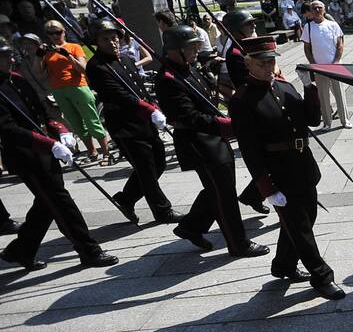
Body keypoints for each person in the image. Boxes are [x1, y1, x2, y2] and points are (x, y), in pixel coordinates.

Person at [228, 36, 345, 300]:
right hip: (278, 172)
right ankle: (321, 275)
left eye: (271, 61)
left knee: (305, 219)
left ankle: (283, 264)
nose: (269, 67)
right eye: (262, 63)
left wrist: (309, 87)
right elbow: (249, 150)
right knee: (300, 227)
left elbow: (313, 120)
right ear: (249, 64)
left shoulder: (284, 86)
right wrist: (266, 188)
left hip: (303, 166)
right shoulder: (242, 100)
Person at [0, 37, 118, 270]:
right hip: (26, 155)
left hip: (45, 150)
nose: (10, 59)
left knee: (46, 203)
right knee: (61, 202)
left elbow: (41, 112)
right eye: (3, 57)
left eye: (9, 55)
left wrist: (60, 130)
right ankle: (89, 250)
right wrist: (48, 144)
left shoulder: (17, 80)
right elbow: (8, 129)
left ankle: (20, 250)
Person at [154, 25, 269, 258]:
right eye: (191, 47)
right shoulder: (168, 78)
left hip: (213, 138)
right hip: (199, 142)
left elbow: (206, 100)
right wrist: (226, 126)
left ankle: (191, 226)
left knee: (216, 189)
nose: (197, 50)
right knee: (224, 195)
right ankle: (238, 244)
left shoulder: (187, 68)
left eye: (197, 46)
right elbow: (188, 117)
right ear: (175, 50)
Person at [86, 19, 181, 225]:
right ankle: (162, 211)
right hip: (124, 125)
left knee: (158, 164)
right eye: (106, 39)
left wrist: (153, 106)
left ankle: (126, 198)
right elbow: (120, 95)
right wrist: (148, 110)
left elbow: (138, 88)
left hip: (143, 121)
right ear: (96, 41)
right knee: (146, 169)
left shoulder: (125, 59)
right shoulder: (96, 66)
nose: (112, 43)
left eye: (114, 38)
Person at [219, 9, 272, 216]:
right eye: (248, 25)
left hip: (262, 100)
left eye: (252, 24)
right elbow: (248, 83)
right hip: (253, 107)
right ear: (236, 30)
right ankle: (254, 194)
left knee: (272, 159)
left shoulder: (247, 48)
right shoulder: (236, 53)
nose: (253, 28)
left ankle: (253, 195)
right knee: (267, 157)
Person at [41, 20, 114, 165]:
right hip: (58, 90)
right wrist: (39, 56)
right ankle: (92, 152)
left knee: (92, 120)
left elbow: (83, 68)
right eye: (50, 33)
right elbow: (40, 72)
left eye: (58, 32)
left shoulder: (74, 47)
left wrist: (68, 56)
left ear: (64, 31)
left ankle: (106, 153)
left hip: (78, 87)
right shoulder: (47, 52)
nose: (55, 36)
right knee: (76, 124)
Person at [302, 0, 351, 130]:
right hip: (319, 67)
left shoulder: (333, 25)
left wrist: (336, 61)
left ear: (324, 10)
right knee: (323, 96)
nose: (317, 10)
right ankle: (327, 123)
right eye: (314, 8)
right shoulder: (308, 27)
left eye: (319, 8)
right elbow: (307, 47)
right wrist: (312, 63)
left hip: (335, 66)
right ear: (311, 11)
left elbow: (340, 45)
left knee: (339, 93)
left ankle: (345, 120)